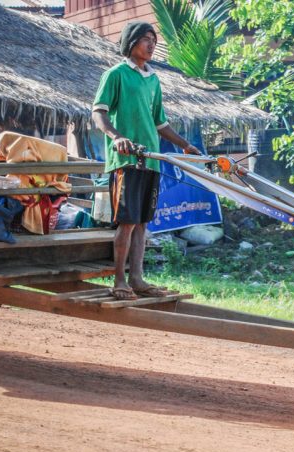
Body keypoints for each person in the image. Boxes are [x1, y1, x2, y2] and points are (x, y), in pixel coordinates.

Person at [92, 21, 202, 300]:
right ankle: (118, 281)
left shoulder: (153, 79)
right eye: (145, 40)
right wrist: (116, 137)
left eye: (154, 40)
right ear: (131, 43)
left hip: (150, 160)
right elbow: (99, 113)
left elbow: (160, 123)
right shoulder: (115, 74)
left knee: (143, 223)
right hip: (126, 160)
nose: (151, 45)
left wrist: (185, 145)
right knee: (127, 223)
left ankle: (137, 278)